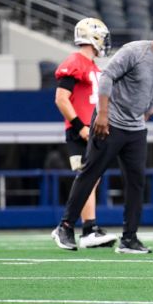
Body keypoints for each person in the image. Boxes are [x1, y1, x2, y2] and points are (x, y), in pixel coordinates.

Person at [52, 24, 153, 254]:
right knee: (90, 173)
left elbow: (152, 94)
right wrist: (102, 115)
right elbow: (107, 77)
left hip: (135, 129)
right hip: (110, 123)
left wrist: (145, 113)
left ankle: (129, 238)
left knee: (137, 182)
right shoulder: (135, 51)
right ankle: (65, 226)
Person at [51, 17, 116, 249]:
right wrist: (80, 127)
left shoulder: (92, 66)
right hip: (80, 131)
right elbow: (61, 99)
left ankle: (90, 227)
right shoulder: (75, 62)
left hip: (90, 130)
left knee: (92, 180)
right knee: (86, 178)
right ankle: (81, 228)